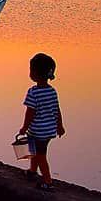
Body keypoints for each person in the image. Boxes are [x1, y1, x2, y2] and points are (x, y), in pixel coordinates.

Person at [18, 52, 64, 189]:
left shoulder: (33, 92)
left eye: (31, 70)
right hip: (49, 130)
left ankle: (47, 181)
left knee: (40, 156)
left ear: (35, 73)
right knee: (35, 151)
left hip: (38, 131)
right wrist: (60, 126)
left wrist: (24, 128)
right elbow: (57, 109)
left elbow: (30, 113)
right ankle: (32, 171)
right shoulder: (52, 91)